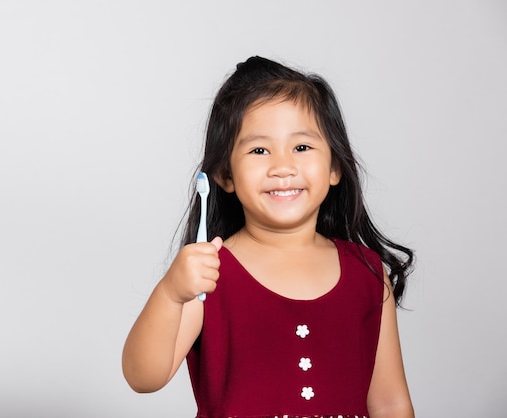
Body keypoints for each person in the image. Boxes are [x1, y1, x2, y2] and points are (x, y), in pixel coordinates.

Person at [122, 56, 414, 418]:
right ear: (225, 175)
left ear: (335, 167)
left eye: (302, 147)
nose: (282, 167)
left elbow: (388, 401)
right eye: (259, 150)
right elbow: (143, 376)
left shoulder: (367, 273)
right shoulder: (208, 274)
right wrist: (169, 293)